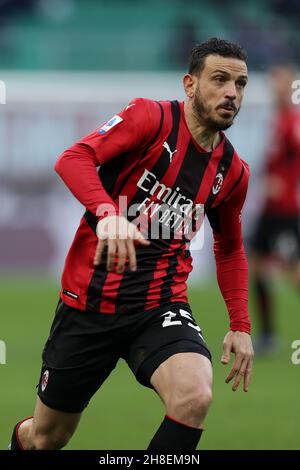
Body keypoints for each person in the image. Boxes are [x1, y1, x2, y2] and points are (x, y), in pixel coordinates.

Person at [9, 37, 254, 451]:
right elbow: (73, 159)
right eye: (220, 79)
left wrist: (241, 325)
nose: (231, 93)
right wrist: (109, 216)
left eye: (241, 84)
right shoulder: (149, 118)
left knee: (195, 396)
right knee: (47, 437)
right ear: (190, 85)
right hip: (89, 304)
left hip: (160, 305)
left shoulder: (233, 173)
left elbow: (229, 248)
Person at [251, 65, 300, 354]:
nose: (275, 88)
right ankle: (268, 334)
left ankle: (269, 334)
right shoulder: (278, 119)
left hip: (285, 210)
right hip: (270, 209)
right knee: (256, 265)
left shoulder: (292, 121)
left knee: (294, 271)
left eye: (281, 83)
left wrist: (284, 183)